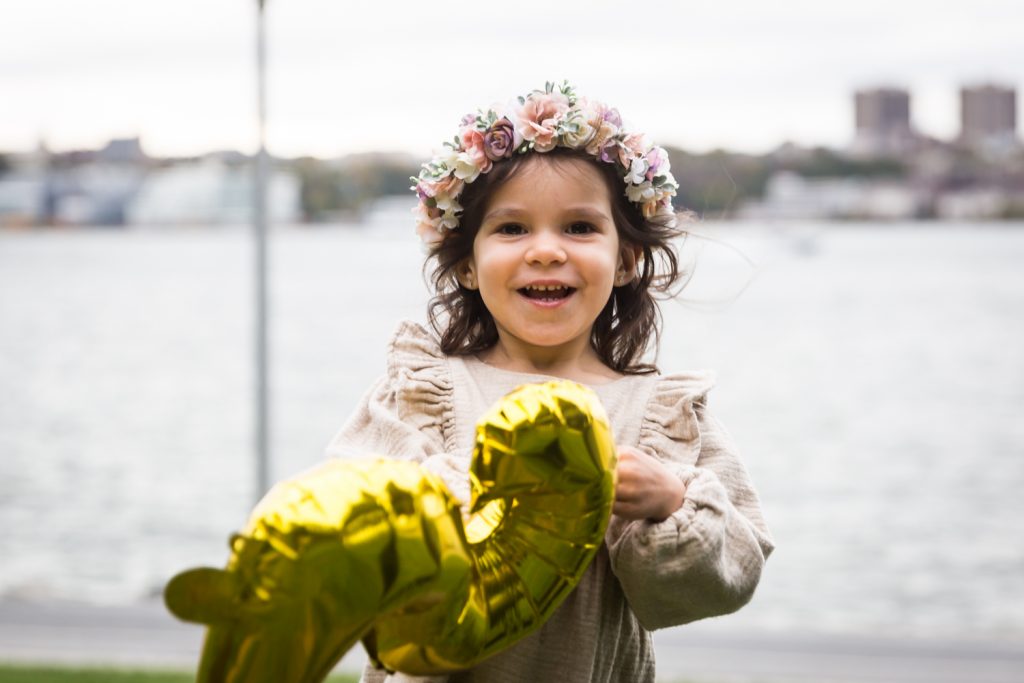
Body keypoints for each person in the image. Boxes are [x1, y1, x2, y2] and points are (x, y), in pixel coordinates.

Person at [325, 82, 774, 683]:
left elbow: (730, 576)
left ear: (625, 260)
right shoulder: (420, 393)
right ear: (465, 262)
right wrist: (471, 496)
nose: (544, 251)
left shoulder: (662, 416)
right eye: (511, 229)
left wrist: (668, 503)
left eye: (579, 228)